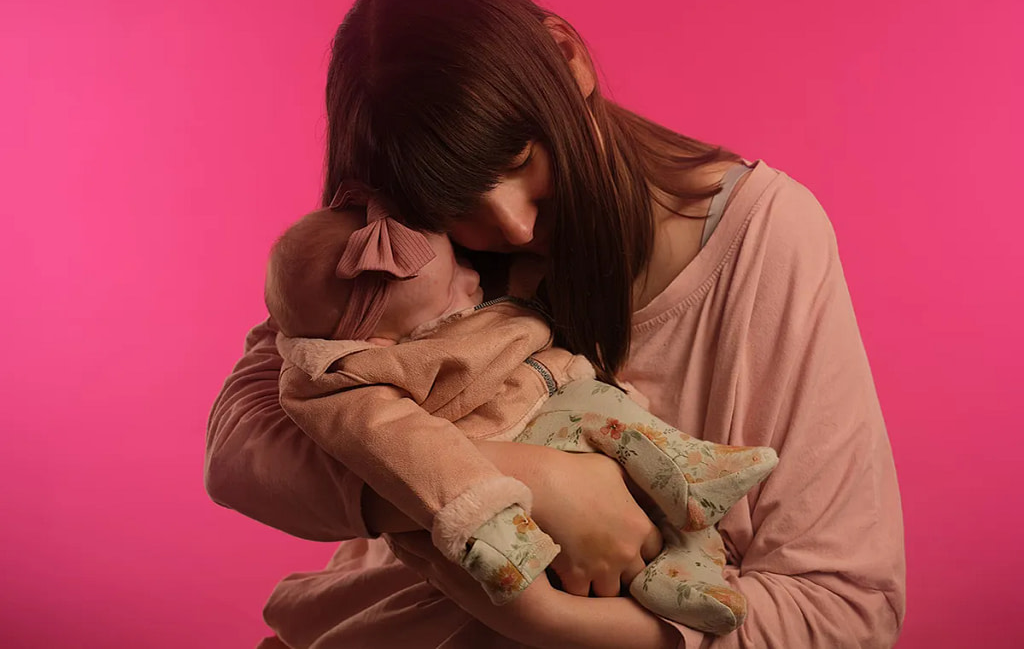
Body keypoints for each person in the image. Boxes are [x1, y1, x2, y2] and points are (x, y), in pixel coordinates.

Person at [205, 0, 906, 649]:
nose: (513, 227)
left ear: (569, 58)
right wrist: (534, 483)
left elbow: (843, 610)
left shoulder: (762, 237)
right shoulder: (406, 249)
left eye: (519, 163)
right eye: (456, 205)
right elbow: (241, 447)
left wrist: (549, 623)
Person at [262, 194, 780, 633]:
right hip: (518, 441)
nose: (472, 280)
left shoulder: (442, 294)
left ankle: (692, 479)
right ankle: (673, 571)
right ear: (377, 339)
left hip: (563, 399)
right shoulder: (352, 380)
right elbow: (410, 453)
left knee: (614, 425)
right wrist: (497, 526)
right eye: (452, 288)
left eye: (459, 265)